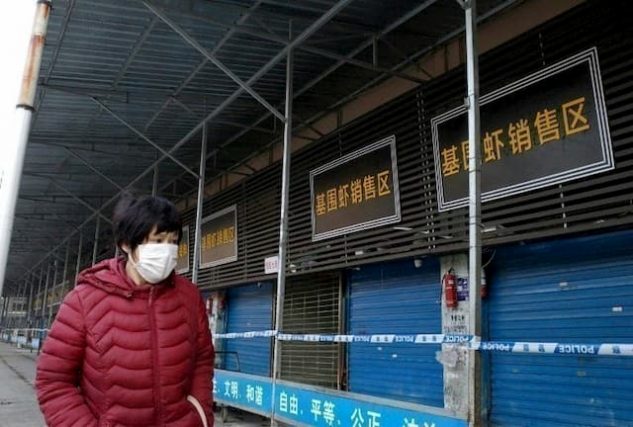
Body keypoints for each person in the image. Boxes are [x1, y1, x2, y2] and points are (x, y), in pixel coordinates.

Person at [36, 195, 214, 427]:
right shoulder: (84, 300)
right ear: (126, 244)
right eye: (157, 241)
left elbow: (202, 360)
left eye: (173, 241)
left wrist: (200, 416)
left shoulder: (189, 297)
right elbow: (54, 381)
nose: (167, 250)